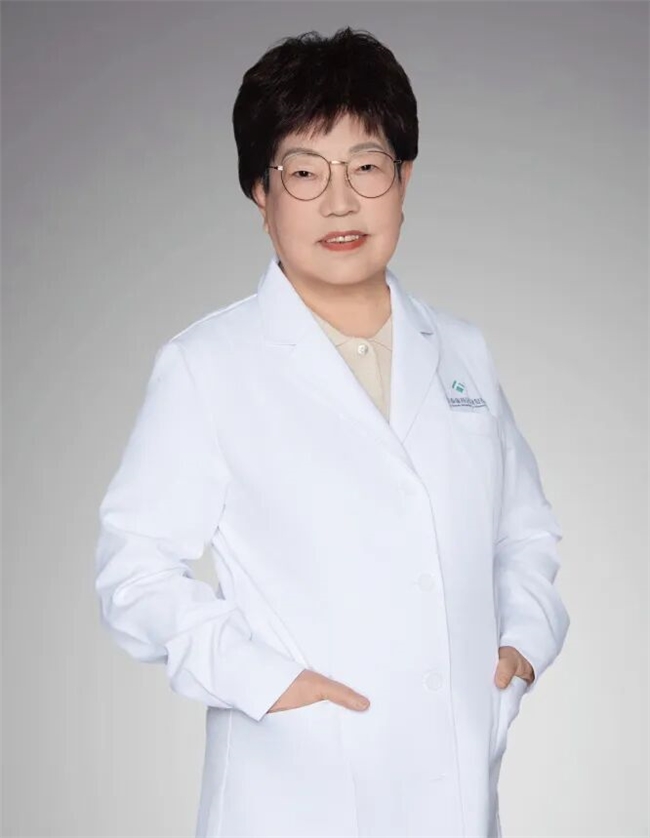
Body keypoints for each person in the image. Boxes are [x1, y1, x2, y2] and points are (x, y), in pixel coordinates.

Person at [95, 27, 570, 838]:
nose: (341, 202)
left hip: (456, 791)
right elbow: (133, 573)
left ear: (404, 178)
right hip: (294, 790)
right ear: (260, 190)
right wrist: (264, 681)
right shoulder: (208, 365)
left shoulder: (462, 351)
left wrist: (522, 643)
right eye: (305, 172)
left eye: (367, 167)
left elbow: (523, 534)